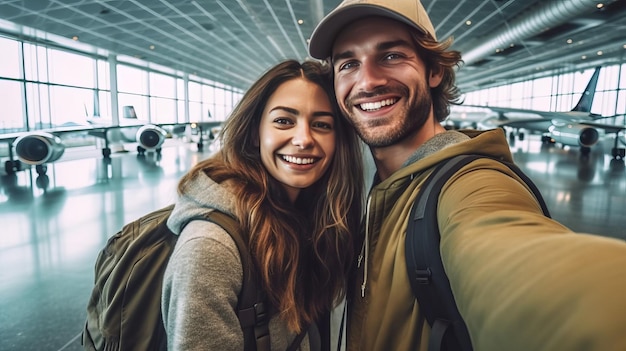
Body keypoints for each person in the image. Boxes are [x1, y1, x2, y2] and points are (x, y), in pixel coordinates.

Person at [308, 0, 626, 350]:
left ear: (434, 71)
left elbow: (510, 255)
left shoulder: (471, 184)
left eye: (392, 56)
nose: (367, 80)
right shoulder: (371, 184)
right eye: (349, 63)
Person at [161, 59, 364, 350]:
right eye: (284, 121)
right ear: (256, 132)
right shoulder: (212, 248)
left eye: (321, 124)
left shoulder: (306, 223)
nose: (304, 139)